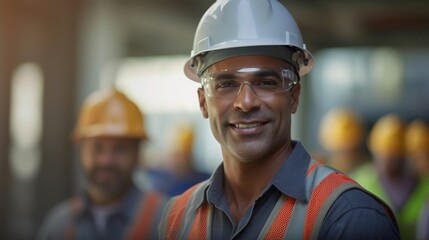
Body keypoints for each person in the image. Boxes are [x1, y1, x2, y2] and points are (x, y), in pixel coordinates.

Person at [157, 0, 399, 239]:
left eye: (266, 83)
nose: (246, 102)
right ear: (203, 102)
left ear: (294, 97)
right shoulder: (176, 219)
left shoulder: (350, 217)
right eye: (226, 84)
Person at [38, 88, 166, 239]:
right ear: (80, 151)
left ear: (137, 153)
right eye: (97, 148)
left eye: (120, 149)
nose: (106, 160)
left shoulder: (166, 221)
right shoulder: (59, 226)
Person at [354, 114, 428, 239]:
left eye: (393, 155)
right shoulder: (360, 180)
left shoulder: (424, 185)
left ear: (405, 154)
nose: (387, 160)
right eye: (383, 153)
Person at [143, 123, 210, 197]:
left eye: (183, 155)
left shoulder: (203, 181)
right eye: (176, 155)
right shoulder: (159, 181)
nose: (180, 160)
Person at [318, 107, 369, 175]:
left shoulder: (367, 174)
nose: (345, 156)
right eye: (340, 150)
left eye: (350, 148)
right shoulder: (318, 170)